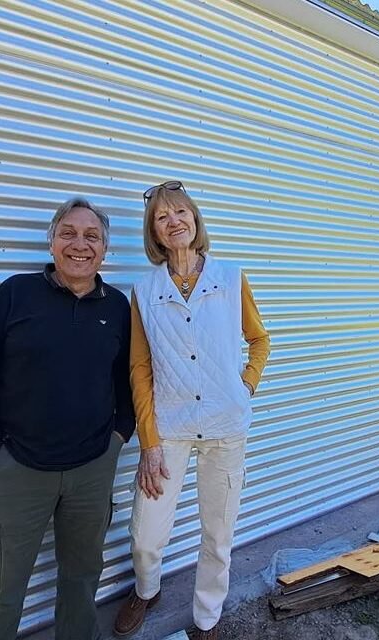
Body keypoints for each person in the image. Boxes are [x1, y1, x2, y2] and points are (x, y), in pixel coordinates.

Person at [0, 197, 135, 640]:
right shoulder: (14, 294)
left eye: (92, 236)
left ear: (104, 248)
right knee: (2, 589)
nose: (80, 244)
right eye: (68, 233)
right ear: (52, 241)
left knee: (82, 580)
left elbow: (128, 381)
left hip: (91, 470)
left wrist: (118, 438)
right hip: (18, 470)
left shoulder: (117, 308)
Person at [113, 181, 270, 640]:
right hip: (170, 427)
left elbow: (260, 340)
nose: (174, 221)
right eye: (162, 217)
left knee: (218, 534)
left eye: (181, 212)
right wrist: (149, 441)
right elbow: (139, 368)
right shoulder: (144, 292)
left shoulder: (231, 277)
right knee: (146, 532)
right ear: (154, 233)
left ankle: (206, 619)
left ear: (195, 219)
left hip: (225, 426)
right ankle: (147, 590)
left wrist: (245, 386)